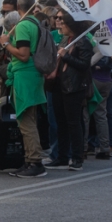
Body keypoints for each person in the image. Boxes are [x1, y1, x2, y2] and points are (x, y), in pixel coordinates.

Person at [0, 0, 47, 178]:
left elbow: (23, 54)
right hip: (33, 75)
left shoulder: (24, 25)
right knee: (29, 120)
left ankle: (35, 161)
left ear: (19, 8)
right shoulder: (35, 22)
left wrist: (6, 44)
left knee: (26, 122)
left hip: (25, 76)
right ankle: (29, 160)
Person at [46, 15, 92, 171]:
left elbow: (84, 65)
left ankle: (77, 158)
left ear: (71, 25)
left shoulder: (83, 42)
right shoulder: (66, 40)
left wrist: (66, 56)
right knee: (61, 123)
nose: (60, 25)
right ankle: (62, 157)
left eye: (63, 23)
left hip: (74, 87)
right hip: (59, 84)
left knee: (73, 123)